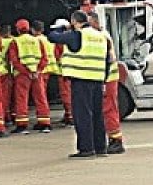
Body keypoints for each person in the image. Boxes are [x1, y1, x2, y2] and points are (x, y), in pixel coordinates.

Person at [48, 11, 111, 158]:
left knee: (83, 115)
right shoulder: (100, 36)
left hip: (81, 80)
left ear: (74, 22)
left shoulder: (78, 35)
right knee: (97, 115)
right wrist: (104, 79)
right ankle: (101, 147)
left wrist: (62, 27)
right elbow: (107, 59)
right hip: (97, 79)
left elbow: (52, 37)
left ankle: (86, 148)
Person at [88, 12, 126, 154]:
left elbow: (108, 59)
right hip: (107, 77)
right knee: (107, 109)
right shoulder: (103, 35)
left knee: (109, 109)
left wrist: (103, 79)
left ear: (95, 22)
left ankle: (116, 140)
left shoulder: (101, 37)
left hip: (107, 78)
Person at [8, 19, 51, 134]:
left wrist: (26, 72)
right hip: (37, 74)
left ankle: (22, 125)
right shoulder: (37, 41)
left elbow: (14, 60)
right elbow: (44, 58)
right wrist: (37, 70)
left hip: (23, 75)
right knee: (41, 97)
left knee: (22, 98)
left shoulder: (15, 42)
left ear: (17, 29)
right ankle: (45, 123)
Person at [49, 18, 73, 126]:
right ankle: (69, 115)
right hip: (73, 71)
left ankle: (70, 115)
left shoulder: (60, 42)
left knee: (66, 94)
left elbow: (57, 56)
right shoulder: (73, 38)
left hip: (64, 71)